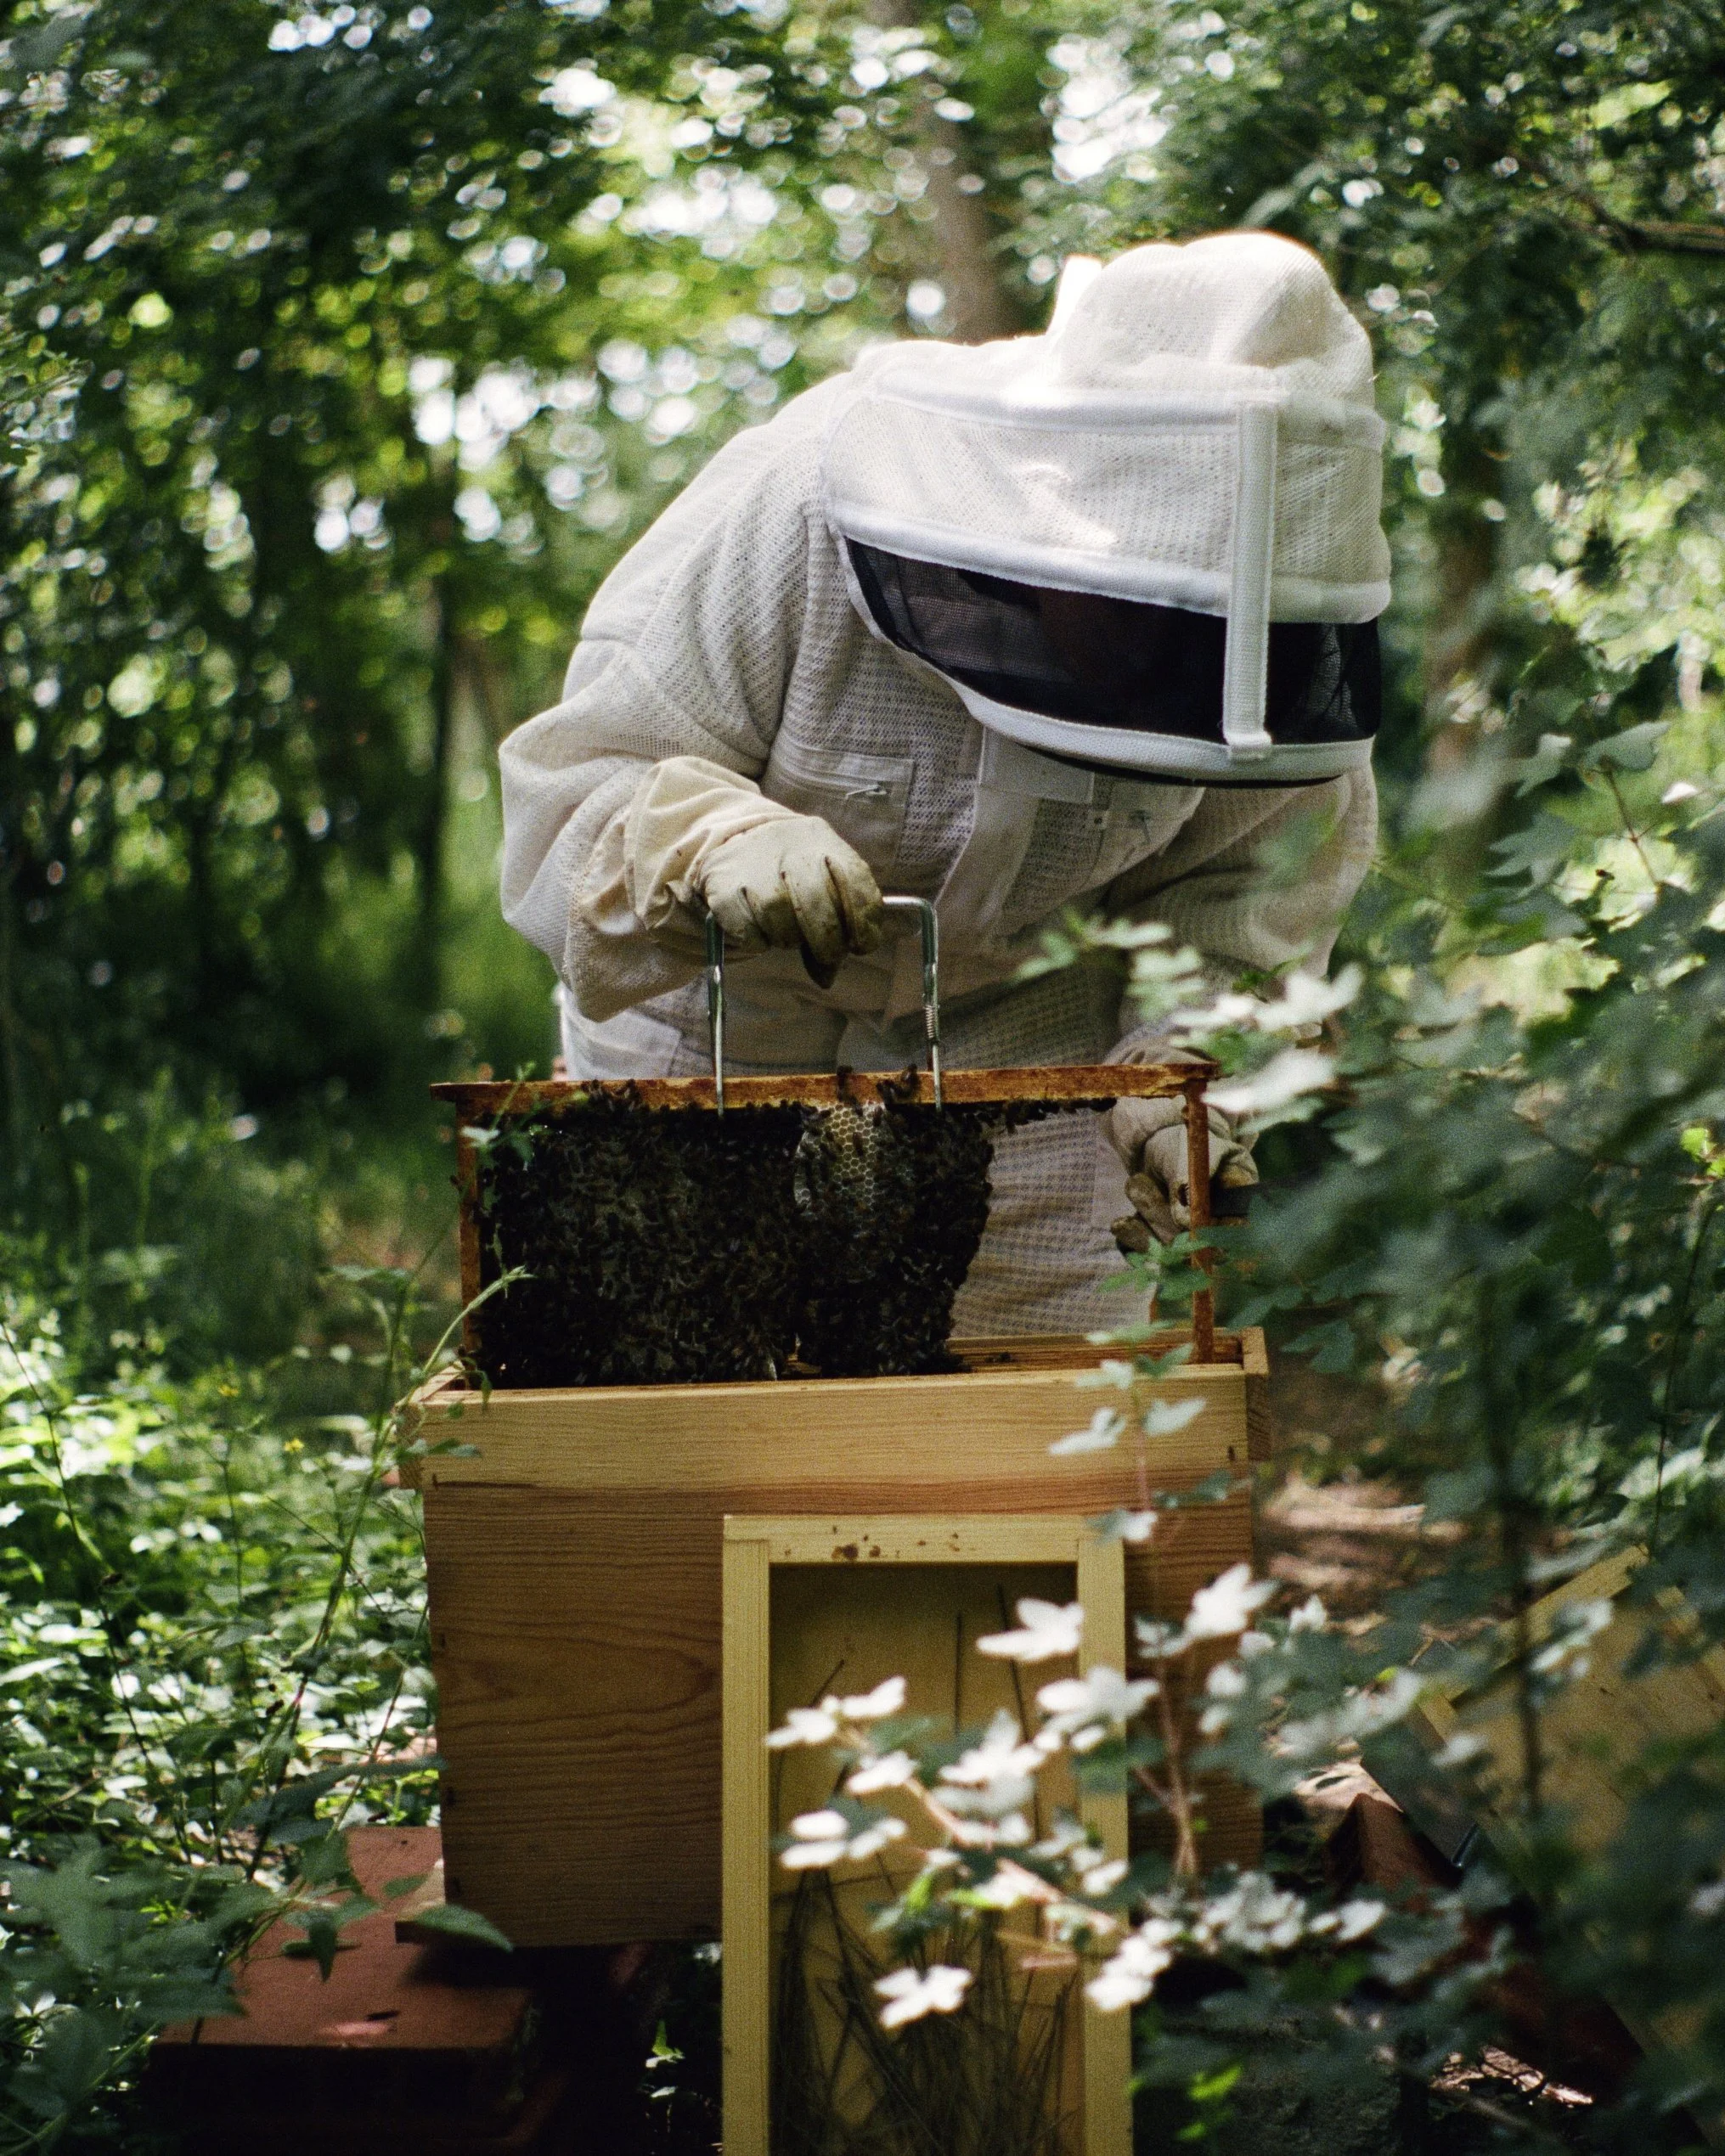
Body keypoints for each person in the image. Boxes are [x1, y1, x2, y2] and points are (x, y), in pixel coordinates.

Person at [499, 230, 1389, 1337]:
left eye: (1208, 615)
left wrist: (1187, 1071)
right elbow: (569, 796)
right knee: (692, 1409)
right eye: (1148, 597)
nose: (1169, 654)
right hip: (715, 1033)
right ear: (1049, 508)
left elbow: (1238, 909)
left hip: (1032, 1064)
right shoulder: (796, 512)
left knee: (1032, 1468)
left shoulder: (1280, 669)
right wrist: (706, 841)